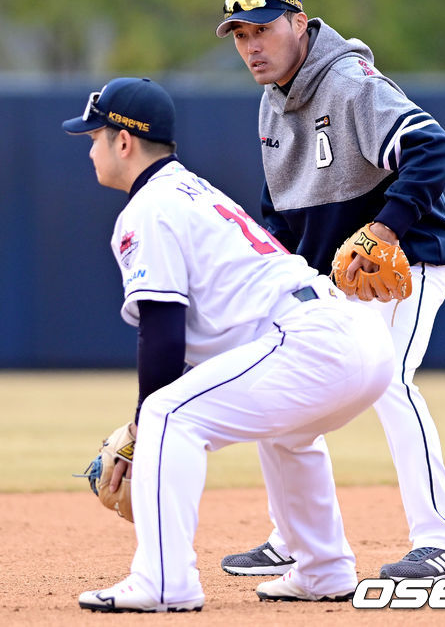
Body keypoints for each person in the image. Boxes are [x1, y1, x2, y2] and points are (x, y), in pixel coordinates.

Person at [62, 76, 395, 612]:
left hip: (310, 339)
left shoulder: (149, 209)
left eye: (95, 136)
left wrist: (145, 428)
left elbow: (163, 329)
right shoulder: (191, 189)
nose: (91, 148)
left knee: (169, 414)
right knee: (288, 433)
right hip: (352, 332)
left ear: (124, 141)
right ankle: (323, 568)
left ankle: (164, 582)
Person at [215, 0, 445, 581]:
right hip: (335, 279)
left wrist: (385, 228)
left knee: (391, 384)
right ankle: (296, 537)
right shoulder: (271, 103)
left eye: (264, 28)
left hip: (406, 266)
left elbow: (435, 148)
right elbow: (279, 212)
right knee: (291, 392)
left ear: (300, 24)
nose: (252, 45)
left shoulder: (349, 82)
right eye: (241, 34)